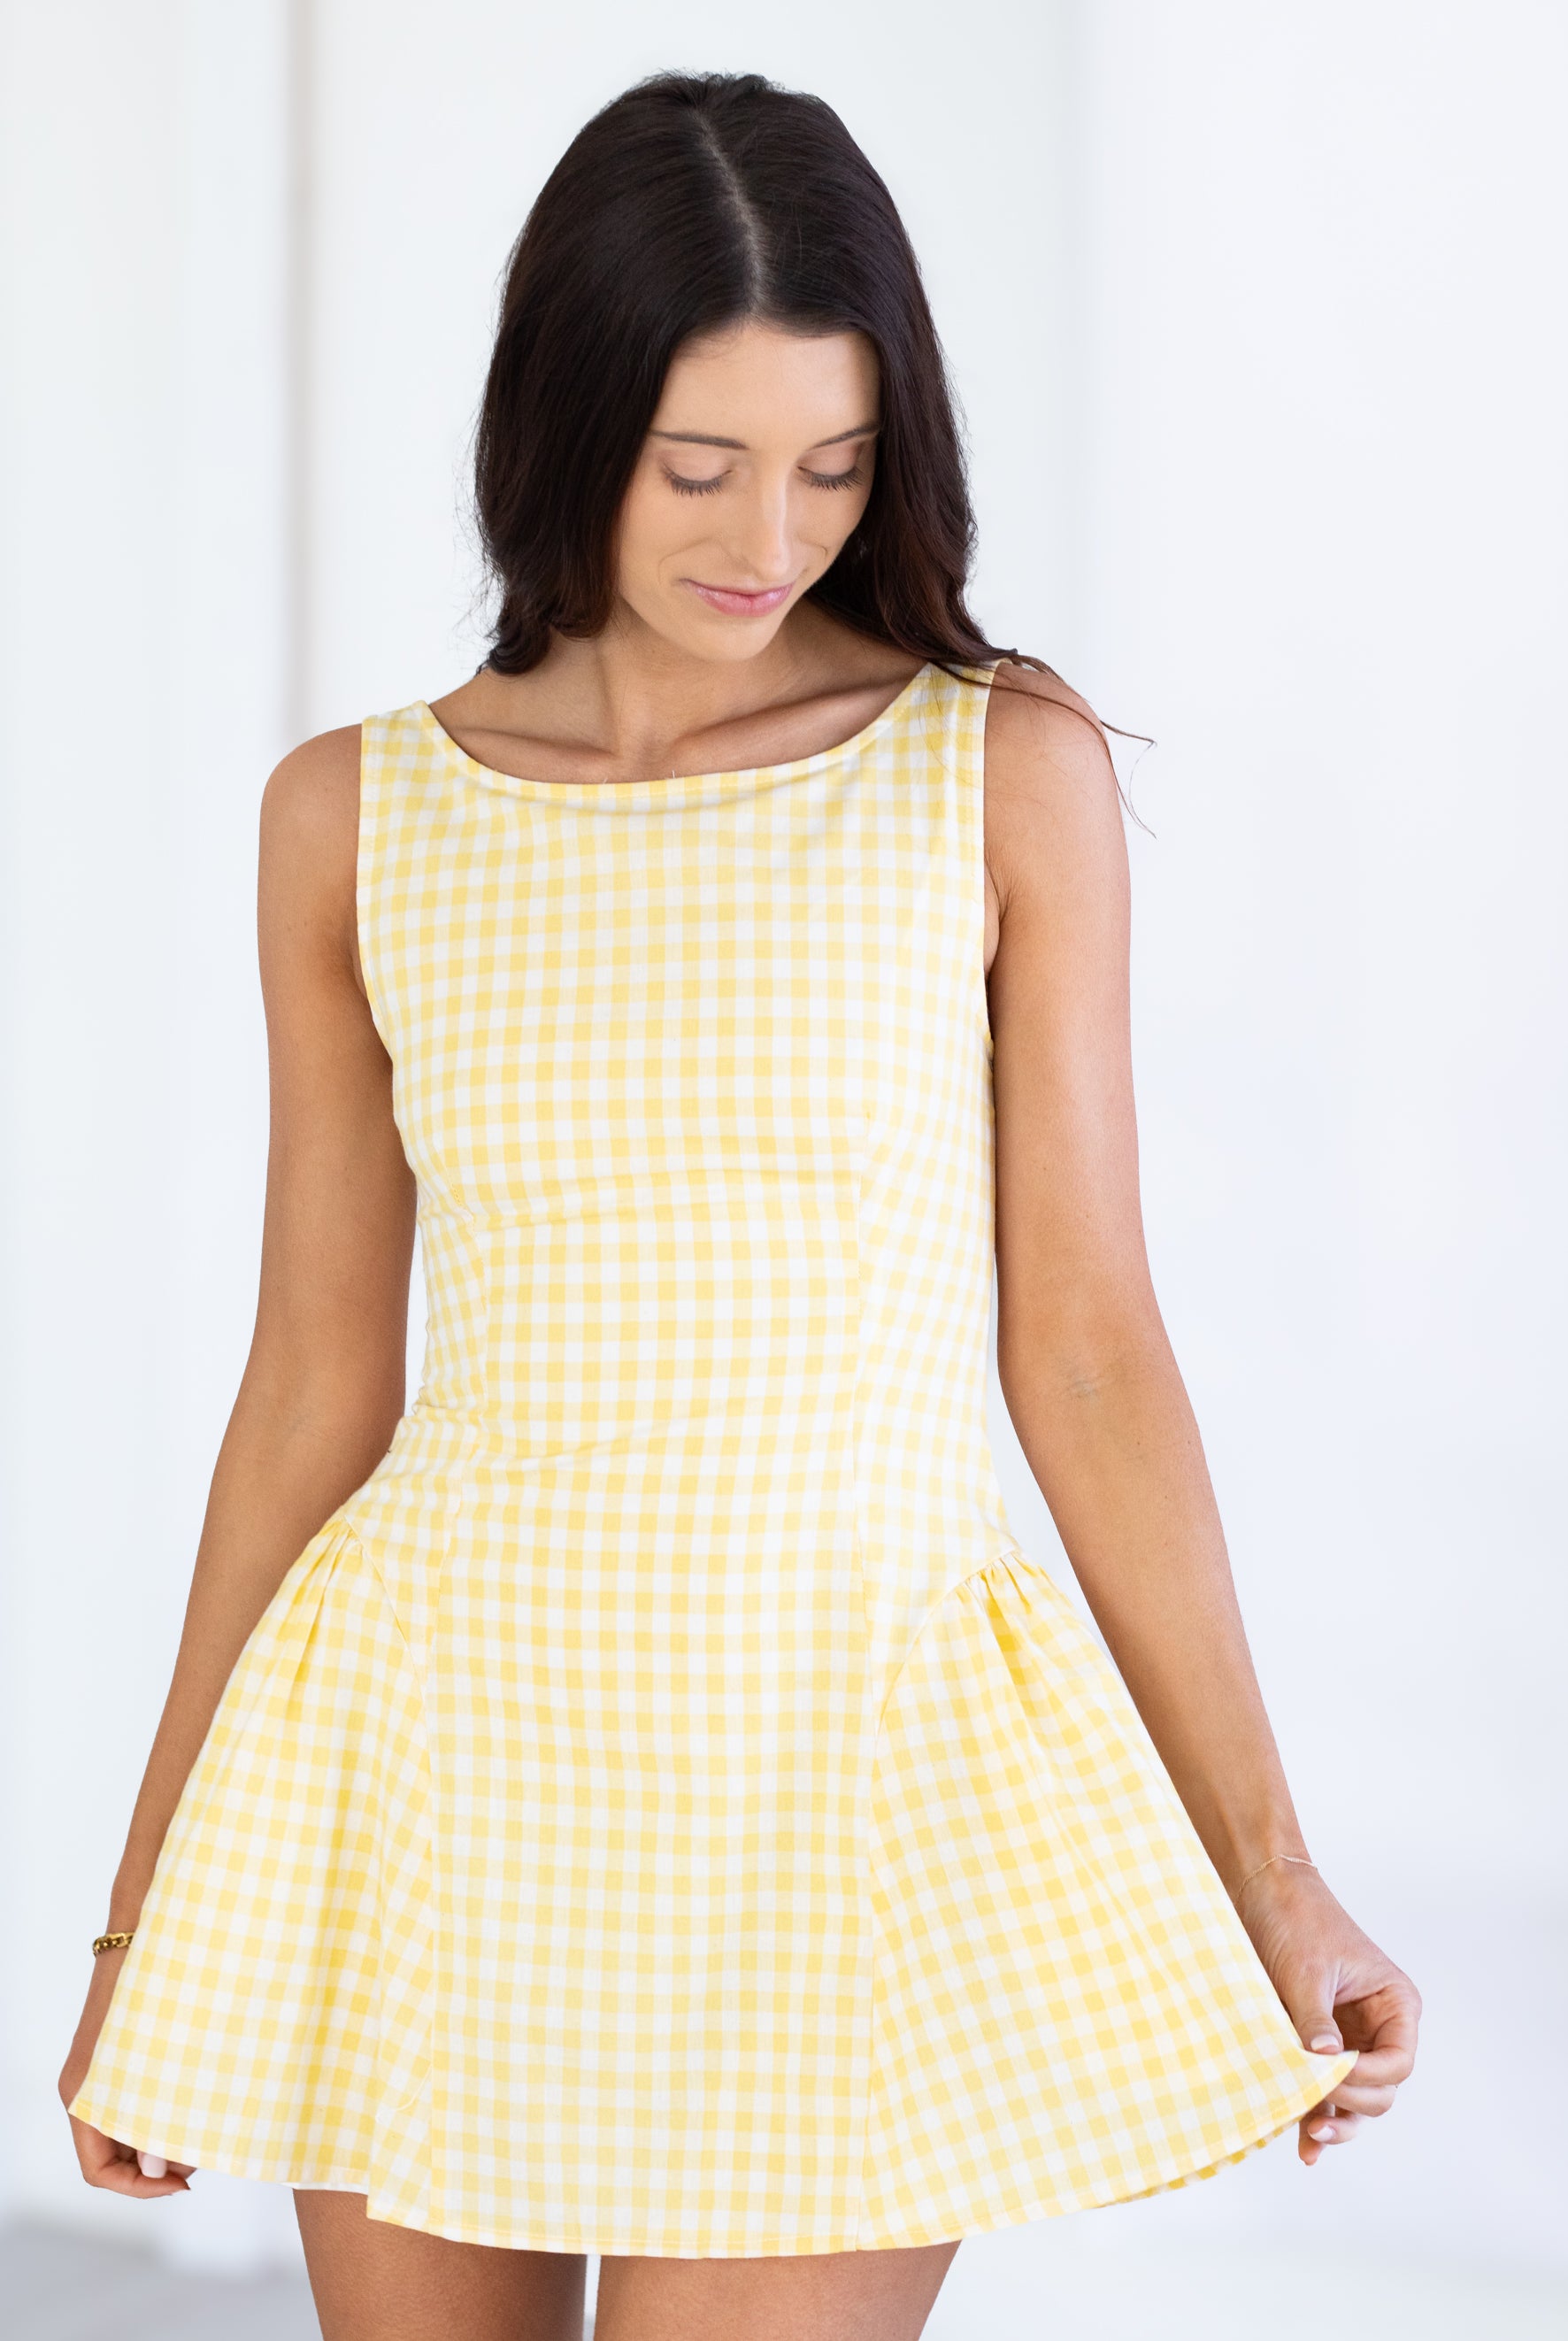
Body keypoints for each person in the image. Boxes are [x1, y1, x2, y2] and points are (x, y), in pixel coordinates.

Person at [58, 69, 1418, 2341]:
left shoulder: (994, 771)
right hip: (441, 1757)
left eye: (833, 463)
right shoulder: (354, 817)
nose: (763, 531)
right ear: (561, 420)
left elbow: (1083, 1349)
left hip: (840, 1769)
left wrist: (1279, 1883)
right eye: (697, 465)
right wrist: (143, 1931)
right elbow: (309, 1385)